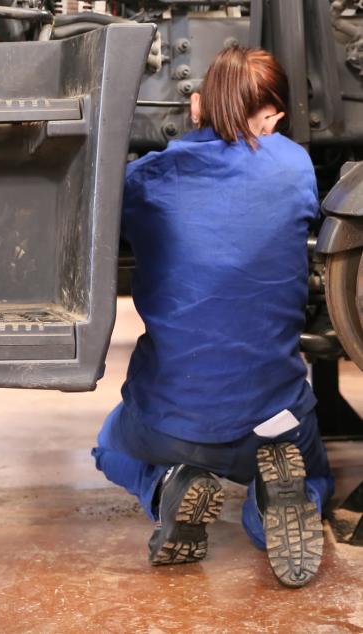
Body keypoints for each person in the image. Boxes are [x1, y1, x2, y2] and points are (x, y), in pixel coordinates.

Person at [92, 46, 334, 588]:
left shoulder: (147, 179)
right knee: (314, 476)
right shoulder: (295, 165)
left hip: (168, 422)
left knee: (108, 447)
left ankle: (169, 484)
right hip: (276, 419)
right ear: (271, 116)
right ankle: (270, 504)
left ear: (196, 105)